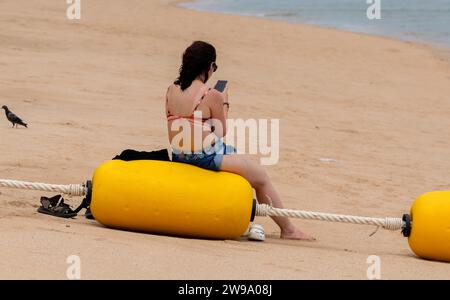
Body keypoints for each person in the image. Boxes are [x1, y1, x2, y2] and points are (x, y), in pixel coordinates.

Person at [165, 41, 314, 240]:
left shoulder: (171, 90)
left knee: (235, 154)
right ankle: (288, 230)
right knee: (261, 178)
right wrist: (224, 101)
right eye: (214, 68)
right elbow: (221, 130)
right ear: (209, 67)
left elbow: (184, 123)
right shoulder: (211, 95)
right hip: (205, 157)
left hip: (179, 154)